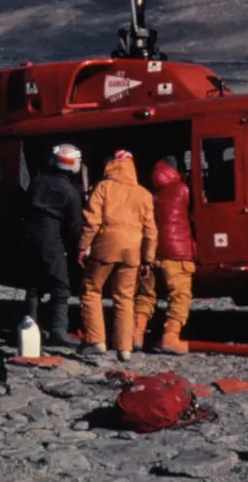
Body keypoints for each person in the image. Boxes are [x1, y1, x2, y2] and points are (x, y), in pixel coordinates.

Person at [77, 150, 158, 362]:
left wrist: (82, 246)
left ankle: (96, 340)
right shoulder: (144, 194)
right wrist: (148, 259)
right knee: (125, 298)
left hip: (106, 245)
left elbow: (92, 222)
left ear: (111, 165)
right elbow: (151, 231)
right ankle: (125, 348)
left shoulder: (103, 187)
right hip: (133, 250)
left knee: (91, 289)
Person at [21, 143, 84, 348]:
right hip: (51, 238)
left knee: (33, 285)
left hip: (29, 235)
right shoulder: (71, 192)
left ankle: (29, 325)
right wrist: (78, 248)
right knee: (60, 285)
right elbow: (74, 226)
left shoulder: (37, 182)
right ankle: (58, 331)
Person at [133, 157, 197, 355]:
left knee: (145, 295)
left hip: (152, 251)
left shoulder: (150, 193)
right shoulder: (183, 189)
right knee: (179, 295)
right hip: (177, 253)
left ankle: (135, 334)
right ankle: (170, 337)